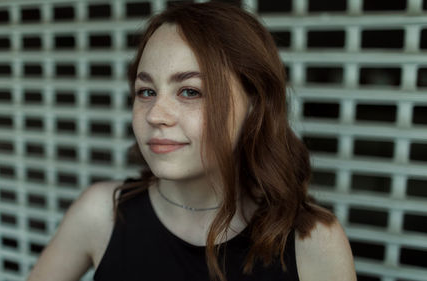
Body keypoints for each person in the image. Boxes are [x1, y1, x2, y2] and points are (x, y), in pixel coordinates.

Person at [27, 2, 356, 281]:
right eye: (146, 91)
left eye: (190, 91)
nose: (156, 114)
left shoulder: (312, 241)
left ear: (254, 104)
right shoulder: (101, 213)